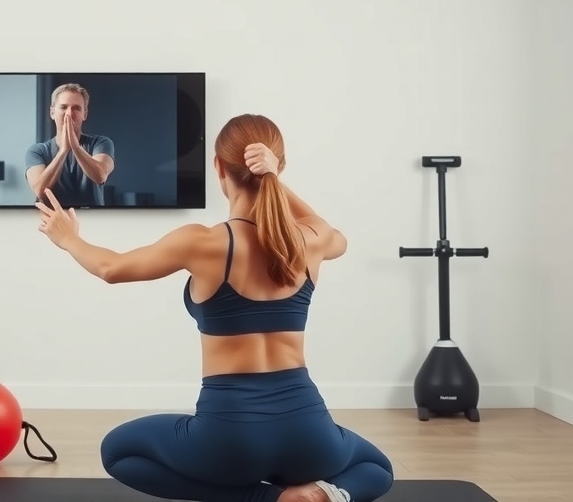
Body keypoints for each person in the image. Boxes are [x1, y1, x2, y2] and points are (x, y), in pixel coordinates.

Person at [33, 113, 394, 502]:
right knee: (378, 468)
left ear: (218, 167)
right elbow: (331, 231)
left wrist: (68, 238)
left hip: (229, 440)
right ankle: (316, 496)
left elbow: (111, 268)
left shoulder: (203, 243)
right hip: (309, 432)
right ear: (280, 166)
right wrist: (276, 178)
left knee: (119, 450)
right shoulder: (311, 240)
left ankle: (265, 499)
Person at [25, 83, 115, 207]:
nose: (69, 113)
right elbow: (40, 190)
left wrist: (76, 147)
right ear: (52, 112)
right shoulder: (37, 151)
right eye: (63, 107)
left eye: (76, 108)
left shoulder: (101, 143)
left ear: (85, 114)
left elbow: (100, 176)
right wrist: (63, 151)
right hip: (51, 222)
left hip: (94, 221)